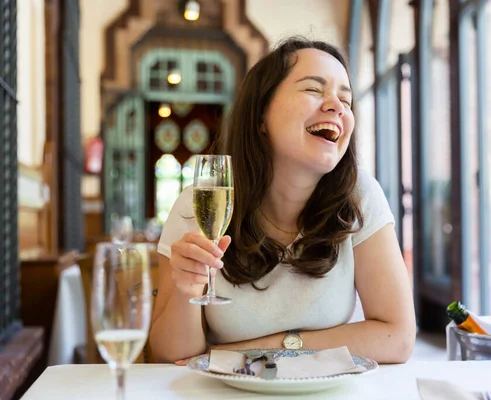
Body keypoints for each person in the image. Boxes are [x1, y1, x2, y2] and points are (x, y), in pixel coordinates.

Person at [149, 36, 416, 364]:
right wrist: (185, 291)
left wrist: (267, 348)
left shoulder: (359, 195)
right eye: (313, 89)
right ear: (261, 115)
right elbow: (169, 356)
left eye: (346, 100)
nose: (336, 106)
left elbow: (398, 337)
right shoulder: (198, 205)